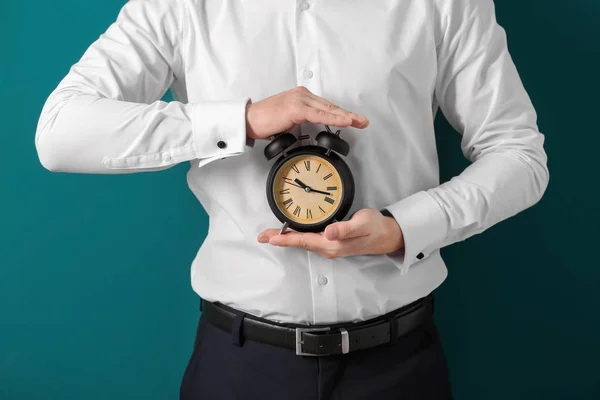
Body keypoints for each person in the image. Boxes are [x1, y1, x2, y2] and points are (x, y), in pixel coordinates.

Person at [35, 0, 549, 398]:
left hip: (398, 366)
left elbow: (519, 154)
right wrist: (241, 120)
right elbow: (60, 131)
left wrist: (403, 228)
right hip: (240, 367)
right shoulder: (184, 6)